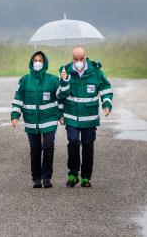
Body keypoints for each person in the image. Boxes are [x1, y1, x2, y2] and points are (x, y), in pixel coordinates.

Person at [11, 51, 69, 188]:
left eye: (40, 60)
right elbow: (18, 98)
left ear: (45, 63)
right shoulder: (25, 80)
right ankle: (36, 177)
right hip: (31, 121)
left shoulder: (53, 80)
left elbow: (63, 94)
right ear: (31, 63)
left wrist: (64, 81)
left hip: (49, 120)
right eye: (35, 60)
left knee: (48, 147)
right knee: (35, 149)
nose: (37, 62)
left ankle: (47, 177)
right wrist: (15, 115)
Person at [59, 47, 113, 188]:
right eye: (75, 59)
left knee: (88, 146)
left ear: (85, 57)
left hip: (89, 117)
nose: (78, 62)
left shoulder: (95, 72)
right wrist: (63, 81)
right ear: (72, 59)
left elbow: (106, 89)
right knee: (73, 142)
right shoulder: (65, 71)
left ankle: (85, 177)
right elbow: (60, 95)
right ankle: (73, 174)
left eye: (81, 59)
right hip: (71, 116)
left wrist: (106, 104)